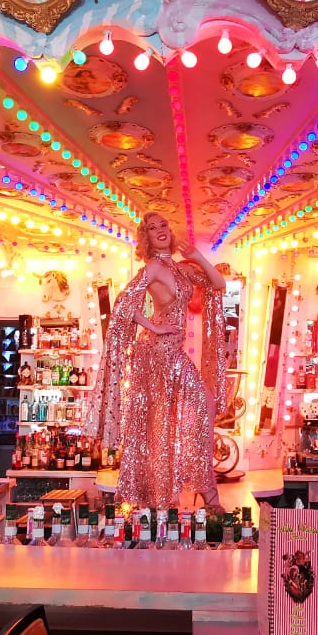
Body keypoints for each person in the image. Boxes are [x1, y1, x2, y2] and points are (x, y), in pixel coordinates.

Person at [89, 214, 225, 511]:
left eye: (163, 225)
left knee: (203, 407)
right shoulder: (152, 267)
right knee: (160, 425)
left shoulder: (179, 268)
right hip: (155, 352)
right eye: (152, 228)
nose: (160, 231)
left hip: (174, 353)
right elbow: (123, 303)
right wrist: (154, 326)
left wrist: (197, 256)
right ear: (146, 238)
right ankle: (170, 498)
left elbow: (218, 283)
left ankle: (199, 488)